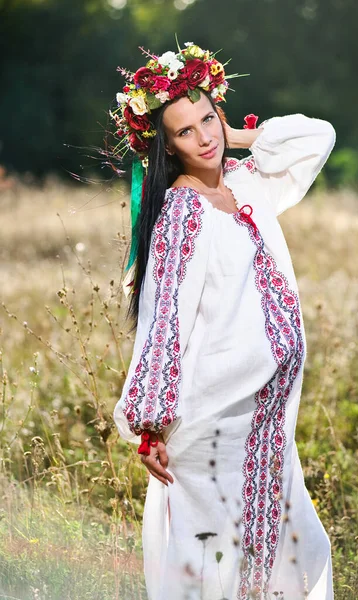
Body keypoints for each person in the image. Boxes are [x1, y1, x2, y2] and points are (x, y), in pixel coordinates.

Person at [112, 41, 336, 600]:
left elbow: (320, 137)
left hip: (267, 422)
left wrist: (239, 137)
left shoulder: (249, 181)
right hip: (216, 423)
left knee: (292, 551)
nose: (204, 137)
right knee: (219, 562)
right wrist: (150, 423)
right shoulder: (182, 218)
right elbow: (164, 322)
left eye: (208, 119)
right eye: (186, 132)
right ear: (166, 146)